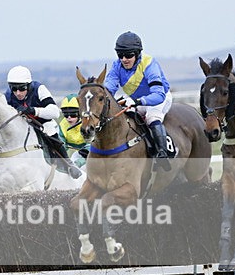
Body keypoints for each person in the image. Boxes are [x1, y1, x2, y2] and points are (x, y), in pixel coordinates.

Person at [104, 31, 173, 171]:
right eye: (120, 55)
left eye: (128, 55)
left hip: (159, 98)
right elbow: (108, 90)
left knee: (152, 118)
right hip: (136, 100)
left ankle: (162, 154)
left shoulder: (149, 64)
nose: (124, 59)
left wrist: (137, 101)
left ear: (137, 53)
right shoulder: (116, 66)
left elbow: (158, 95)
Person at [4, 65, 83, 179]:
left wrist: (34, 111)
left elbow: (55, 112)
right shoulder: (8, 95)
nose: (18, 93)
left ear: (29, 85)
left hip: (43, 123)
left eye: (22, 88)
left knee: (50, 132)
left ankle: (69, 165)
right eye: (14, 89)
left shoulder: (39, 89)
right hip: (22, 125)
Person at [58, 94, 89, 168]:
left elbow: (93, 145)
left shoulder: (89, 122)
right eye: (66, 114)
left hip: (94, 153)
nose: (69, 117)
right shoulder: (62, 124)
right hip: (79, 152)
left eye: (73, 114)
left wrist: (80, 162)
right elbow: (61, 145)